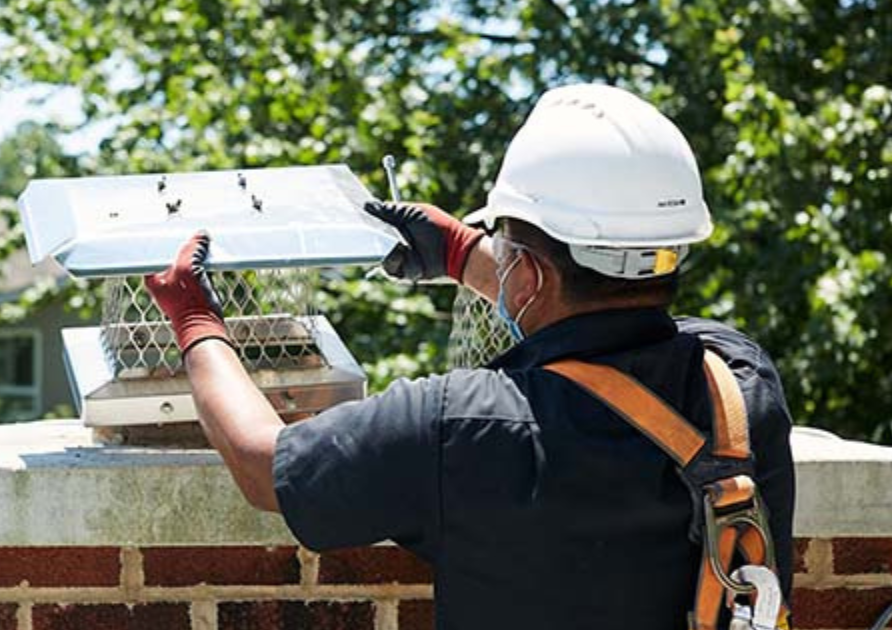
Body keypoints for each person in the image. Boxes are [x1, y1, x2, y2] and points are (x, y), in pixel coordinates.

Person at [145, 83, 795, 630]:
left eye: (504, 241)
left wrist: (195, 319)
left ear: (532, 273)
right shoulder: (738, 383)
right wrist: (466, 255)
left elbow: (263, 467)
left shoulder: (463, 427)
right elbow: (618, 312)